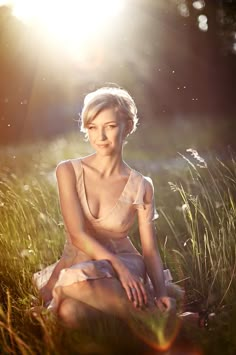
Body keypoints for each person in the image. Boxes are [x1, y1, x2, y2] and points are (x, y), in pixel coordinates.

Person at [33, 86, 181, 327]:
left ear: (127, 127)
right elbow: (77, 235)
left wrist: (161, 290)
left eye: (110, 127)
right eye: (93, 127)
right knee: (72, 314)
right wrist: (117, 266)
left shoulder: (141, 185)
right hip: (83, 264)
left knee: (78, 288)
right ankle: (164, 319)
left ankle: (157, 316)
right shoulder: (68, 171)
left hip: (126, 262)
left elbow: (150, 250)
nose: (100, 137)